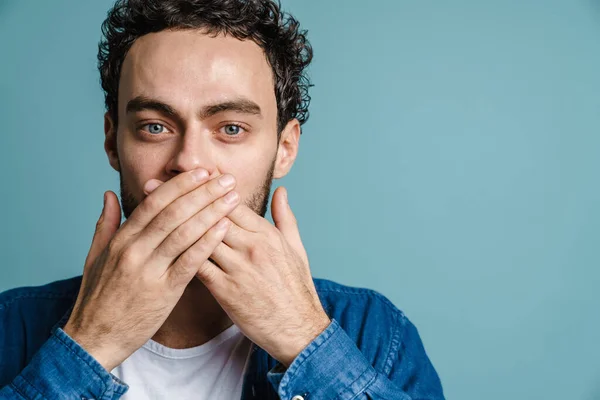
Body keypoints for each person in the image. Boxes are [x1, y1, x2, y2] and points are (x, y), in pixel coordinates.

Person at [0, 0, 445, 399]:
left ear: (284, 148)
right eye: (155, 126)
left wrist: (306, 341)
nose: (189, 163)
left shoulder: (377, 334)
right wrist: (88, 345)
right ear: (113, 142)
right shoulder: (10, 327)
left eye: (231, 128)